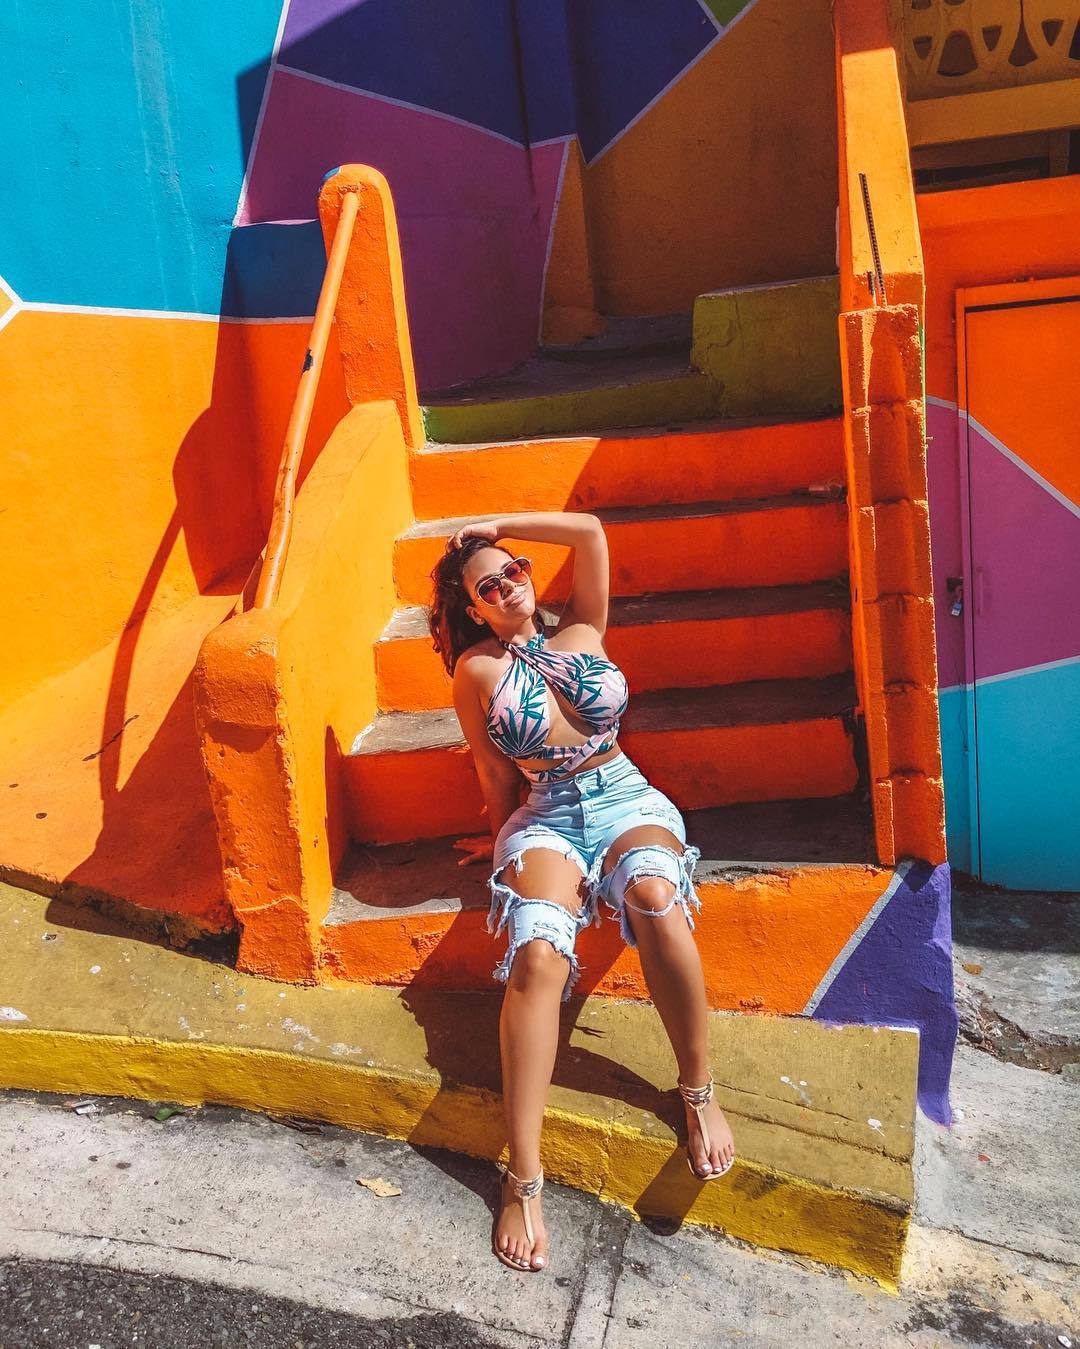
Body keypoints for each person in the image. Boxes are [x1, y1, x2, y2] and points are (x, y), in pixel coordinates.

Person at [428, 512, 735, 1274]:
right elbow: (493, 771)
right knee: (538, 954)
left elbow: (592, 534)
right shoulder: (476, 672)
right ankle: (523, 1176)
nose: (508, 587)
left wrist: (499, 526)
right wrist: (498, 839)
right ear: (473, 609)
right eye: (489, 587)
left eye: (515, 570)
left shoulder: (583, 630)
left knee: (656, 896)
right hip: (548, 815)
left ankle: (698, 1089)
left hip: (624, 795)